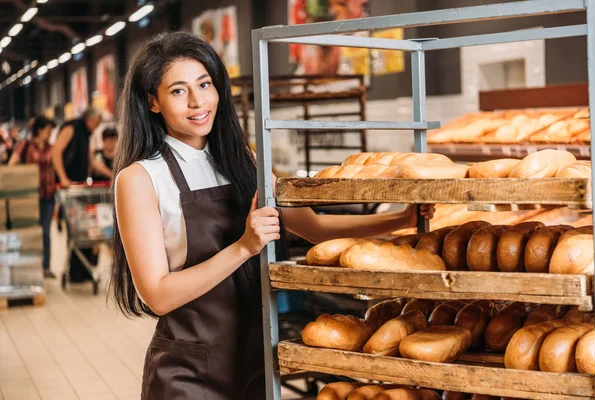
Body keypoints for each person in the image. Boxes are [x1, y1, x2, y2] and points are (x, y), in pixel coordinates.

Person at [111, 31, 435, 400]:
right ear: (153, 102)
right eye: (178, 91)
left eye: (205, 84)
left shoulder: (242, 161)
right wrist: (244, 247)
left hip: (255, 362)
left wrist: (400, 219)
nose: (198, 101)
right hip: (188, 373)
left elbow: (314, 228)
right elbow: (158, 296)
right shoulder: (140, 178)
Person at [52, 107, 103, 283]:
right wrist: (63, 177)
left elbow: (91, 160)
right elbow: (56, 152)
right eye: (97, 123)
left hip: (80, 188)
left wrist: (112, 174)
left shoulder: (86, 134)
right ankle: (75, 271)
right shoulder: (72, 128)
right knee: (76, 230)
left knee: (85, 228)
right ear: (90, 119)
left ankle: (84, 270)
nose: (97, 127)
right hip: (69, 188)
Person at [9, 116, 57, 278]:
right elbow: (12, 164)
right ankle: (30, 264)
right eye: (48, 130)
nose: (50, 133)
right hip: (30, 197)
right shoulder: (26, 146)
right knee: (30, 231)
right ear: (39, 130)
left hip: (48, 195)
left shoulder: (52, 148)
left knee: (45, 231)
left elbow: (57, 167)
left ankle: (45, 266)